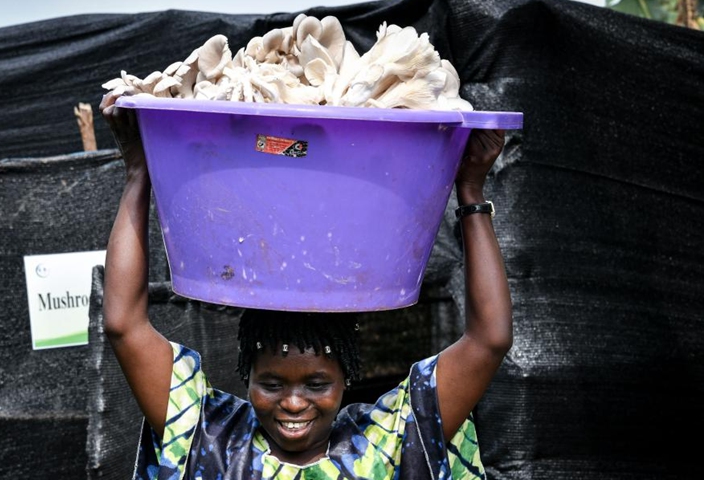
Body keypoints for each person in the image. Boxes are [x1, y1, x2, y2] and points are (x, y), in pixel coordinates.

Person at [99, 89, 513, 479]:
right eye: (272, 384)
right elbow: (124, 325)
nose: (294, 404)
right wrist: (139, 171)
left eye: (317, 384)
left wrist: (470, 189)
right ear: (247, 377)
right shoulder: (211, 438)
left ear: (346, 377)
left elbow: (489, 340)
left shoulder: (383, 443)